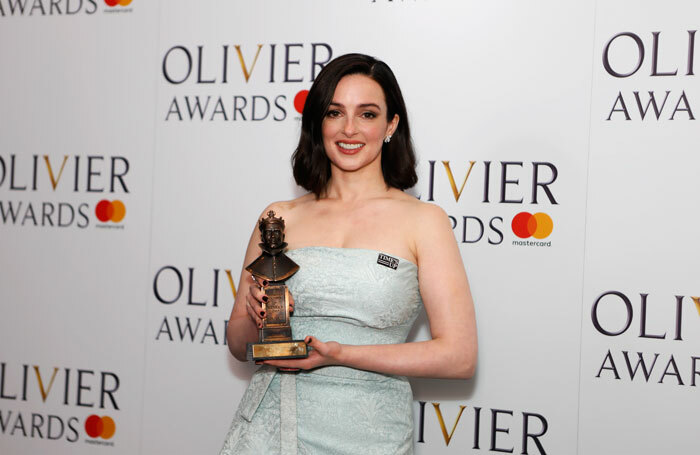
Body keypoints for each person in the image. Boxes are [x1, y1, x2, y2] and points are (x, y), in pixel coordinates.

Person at [220, 53, 477, 455]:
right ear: (317, 123)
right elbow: (238, 343)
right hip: (271, 430)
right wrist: (256, 318)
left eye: (368, 114)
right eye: (335, 112)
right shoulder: (278, 218)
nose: (349, 129)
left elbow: (459, 357)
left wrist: (340, 355)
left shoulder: (424, 221)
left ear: (391, 125)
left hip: (372, 436)